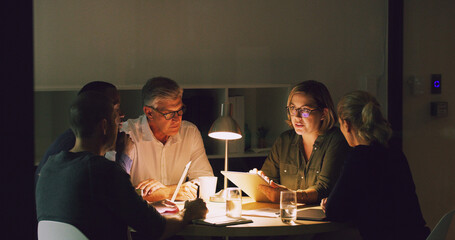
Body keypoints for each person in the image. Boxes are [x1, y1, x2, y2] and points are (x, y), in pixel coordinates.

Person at [36, 91, 208, 240]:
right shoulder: (102, 170)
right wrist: (189, 213)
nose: (119, 127)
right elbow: (158, 229)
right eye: (116, 120)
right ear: (104, 126)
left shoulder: (50, 167)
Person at [321, 91, 430, 239]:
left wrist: (330, 203)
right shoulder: (393, 151)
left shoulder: (359, 157)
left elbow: (334, 211)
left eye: (340, 124)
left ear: (346, 125)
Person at [112, 77, 214, 202]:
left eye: (180, 110)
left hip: (180, 215)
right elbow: (116, 193)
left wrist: (165, 190)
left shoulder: (190, 132)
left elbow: (206, 183)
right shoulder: (127, 134)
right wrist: (170, 192)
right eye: (169, 113)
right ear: (149, 112)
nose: (177, 119)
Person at [258, 80, 349, 204]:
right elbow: (265, 183)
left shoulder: (336, 140)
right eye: (292, 108)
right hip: (285, 215)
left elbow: (324, 189)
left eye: (305, 110)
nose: (296, 116)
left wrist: (288, 196)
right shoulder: (284, 141)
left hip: (321, 219)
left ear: (323, 113)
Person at [34, 81, 130, 185]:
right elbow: (115, 194)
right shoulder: (82, 161)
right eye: (115, 109)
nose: (121, 114)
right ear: (103, 124)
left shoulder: (69, 150)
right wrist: (125, 157)